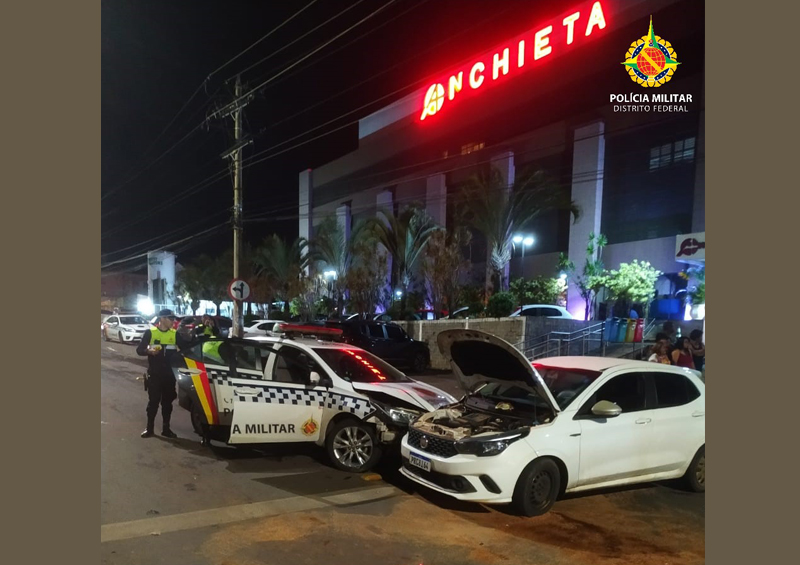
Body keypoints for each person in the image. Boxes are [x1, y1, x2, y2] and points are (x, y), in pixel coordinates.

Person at [137, 309, 181, 439]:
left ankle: (166, 429)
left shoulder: (175, 334)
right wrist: (149, 351)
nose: (173, 321)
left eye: (174, 319)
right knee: (153, 403)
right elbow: (139, 350)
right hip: (155, 375)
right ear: (162, 319)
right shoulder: (150, 333)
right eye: (170, 318)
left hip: (169, 376)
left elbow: (187, 347)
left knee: (167, 404)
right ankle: (149, 428)